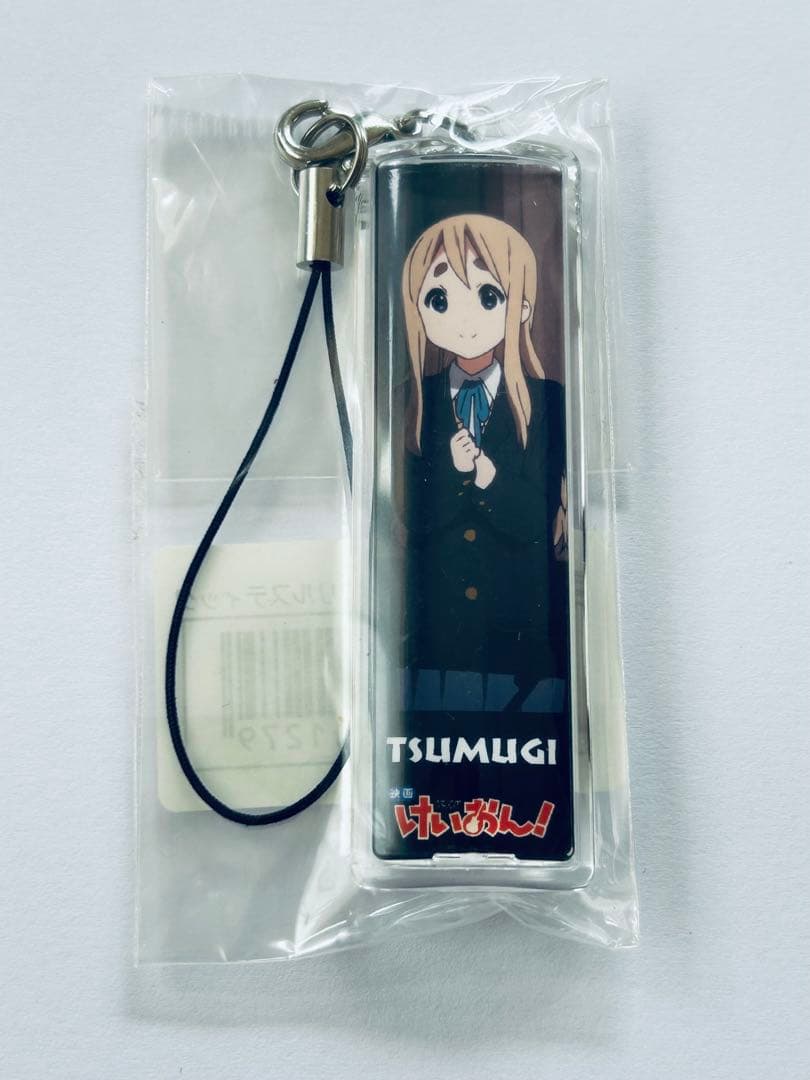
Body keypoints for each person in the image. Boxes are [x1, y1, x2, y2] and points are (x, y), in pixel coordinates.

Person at [400, 214, 567, 709]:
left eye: (489, 296)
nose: (464, 319)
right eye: (439, 300)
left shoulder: (548, 402)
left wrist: (488, 477)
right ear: (419, 311)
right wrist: (451, 476)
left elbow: (540, 520)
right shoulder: (412, 402)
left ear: (521, 306)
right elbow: (410, 518)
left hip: (522, 645)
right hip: (436, 640)